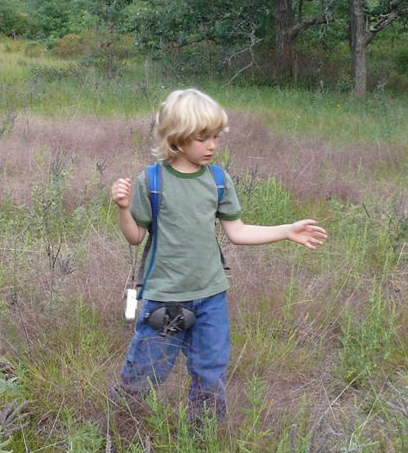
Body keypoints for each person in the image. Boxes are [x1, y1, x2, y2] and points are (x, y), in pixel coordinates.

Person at [109, 88, 327, 422]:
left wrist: (286, 230)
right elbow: (135, 237)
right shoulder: (152, 181)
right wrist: (124, 208)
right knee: (145, 371)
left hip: (211, 297)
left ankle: (205, 434)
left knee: (209, 373)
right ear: (176, 138)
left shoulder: (218, 180)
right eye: (202, 138)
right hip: (165, 298)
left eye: (216, 137)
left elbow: (237, 232)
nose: (212, 145)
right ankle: (118, 424)